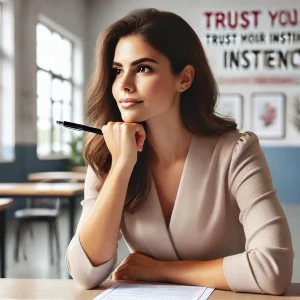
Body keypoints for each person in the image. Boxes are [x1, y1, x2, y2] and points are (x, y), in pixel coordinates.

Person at [65, 8, 294, 294]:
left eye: (143, 68)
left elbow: (273, 269)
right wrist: (122, 167)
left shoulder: (236, 152)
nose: (123, 84)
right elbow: (85, 272)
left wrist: (159, 270)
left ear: (184, 78)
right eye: (117, 71)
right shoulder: (109, 154)